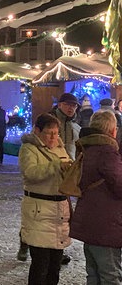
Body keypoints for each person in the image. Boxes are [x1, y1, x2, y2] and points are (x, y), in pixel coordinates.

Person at [18, 113, 72, 285]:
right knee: (41, 264)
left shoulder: (60, 148)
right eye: (49, 133)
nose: (53, 137)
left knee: (55, 265)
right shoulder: (29, 148)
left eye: (56, 133)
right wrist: (55, 165)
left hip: (59, 213)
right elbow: (31, 173)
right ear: (37, 131)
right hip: (39, 211)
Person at [70, 110, 122, 284]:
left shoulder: (86, 148)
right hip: (106, 224)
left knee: (93, 274)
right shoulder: (107, 152)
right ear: (112, 130)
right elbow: (119, 185)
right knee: (110, 275)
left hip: (89, 221)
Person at [49, 93, 80, 160]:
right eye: (68, 104)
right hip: (52, 164)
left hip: (71, 165)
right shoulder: (48, 123)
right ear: (59, 105)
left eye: (74, 105)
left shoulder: (77, 128)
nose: (71, 108)